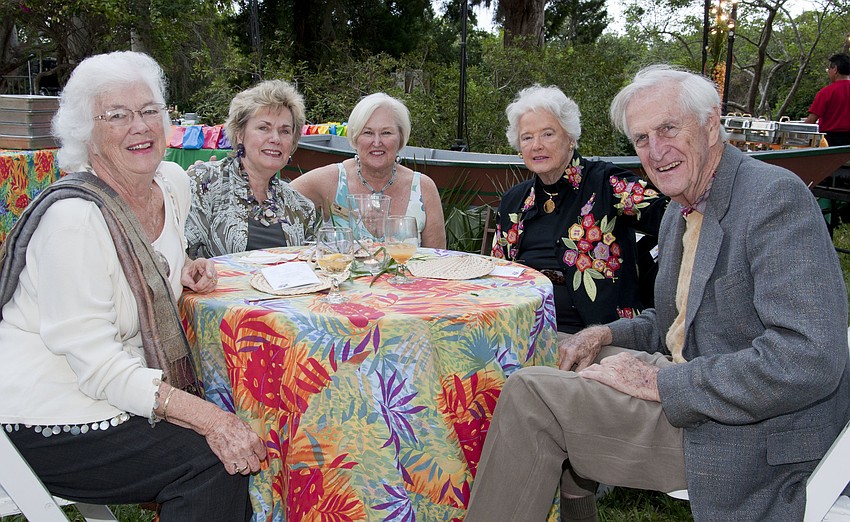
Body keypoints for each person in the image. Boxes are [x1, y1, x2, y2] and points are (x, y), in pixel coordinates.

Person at [466, 65, 850, 521]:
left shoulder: (771, 199)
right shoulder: (681, 208)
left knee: (531, 395)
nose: (655, 150)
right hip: (695, 381)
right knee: (557, 360)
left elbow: (808, 358)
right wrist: (601, 336)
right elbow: (670, 322)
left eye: (668, 128)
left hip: (748, 433)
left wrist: (659, 382)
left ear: (711, 124)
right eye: (641, 138)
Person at [0, 51, 266, 521]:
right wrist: (210, 419)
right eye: (117, 116)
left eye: (148, 111)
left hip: (107, 391)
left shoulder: (171, 183)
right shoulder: (74, 221)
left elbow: (146, 264)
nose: (138, 127)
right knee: (211, 462)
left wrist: (182, 269)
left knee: (250, 426)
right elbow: (99, 366)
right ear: (87, 132)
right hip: (45, 413)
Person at [492, 85, 666, 333]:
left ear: (570, 137)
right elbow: (498, 275)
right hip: (524, 332)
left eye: (548, 134)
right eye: (527, 137)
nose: (537, 145)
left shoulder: (608, 184)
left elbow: (673, 215)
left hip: (600, 337)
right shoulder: (514, 202)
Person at [291, 93, 446, 249]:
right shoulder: (331, 181)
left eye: (386, 133)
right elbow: (278, 200)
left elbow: (439, 262)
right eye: (368, 132)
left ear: (400, 138)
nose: (377, 142)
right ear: (355, 137)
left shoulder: (423, 189)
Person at [185, 79, 316, 258]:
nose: (275, 139)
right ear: (240, 134)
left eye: (285, 131)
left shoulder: (301, 206)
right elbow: (180, 256)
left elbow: (314, 264)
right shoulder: (205, 183)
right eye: (264, 128)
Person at [805, 53, 850, 146]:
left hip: (830, 141)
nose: (828, 72)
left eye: (828, 69)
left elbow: (811, 121)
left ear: (835, 69)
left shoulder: (826, 93)